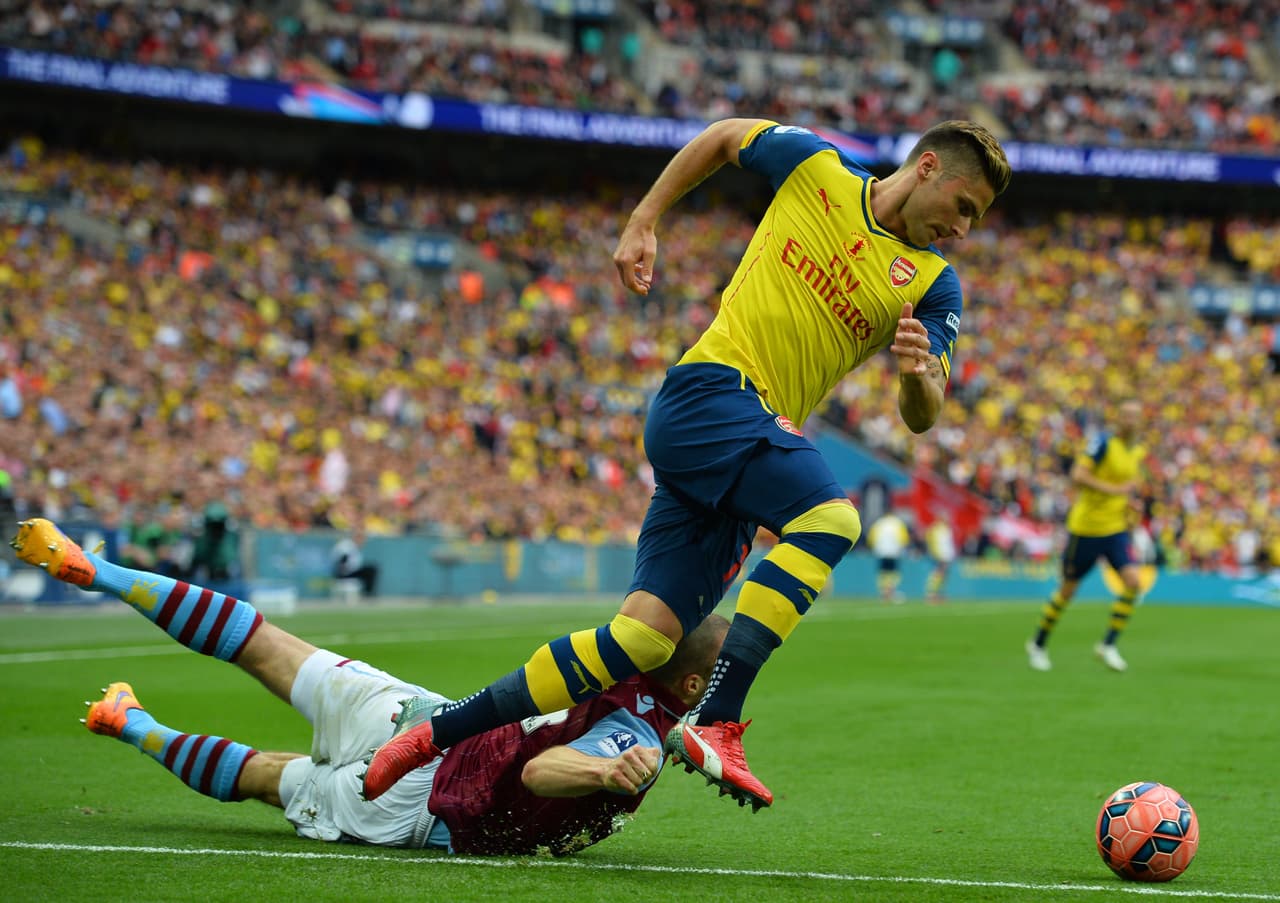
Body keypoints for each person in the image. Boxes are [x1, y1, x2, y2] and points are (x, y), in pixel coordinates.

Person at [362, 117, 1011, 811]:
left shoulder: (937, 285)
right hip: (713, 391)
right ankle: (718, 719)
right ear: (929, 167)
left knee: (640, 638)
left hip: (734, 450)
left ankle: (430, 735)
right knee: (829, 518)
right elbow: (724, 137)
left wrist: (916, 374)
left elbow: (925, 410)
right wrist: (645, 220)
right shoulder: (817, 169)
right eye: (965, 207)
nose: (963, 230)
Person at [9, 517, 728, 855]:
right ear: (691, 681)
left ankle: (95, 569)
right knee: (269, 775)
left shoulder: (624, 645)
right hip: (426, 803)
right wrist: (609, 767)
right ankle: (129, 722)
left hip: (425, 717)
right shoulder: (637, 734)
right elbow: (544, 768)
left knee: (266, 643)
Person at [1025, 400, 1148, 673]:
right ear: (1118, 418)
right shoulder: (1103, 443)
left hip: (1115, 528)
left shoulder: (1137, 451)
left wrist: (1129, 503)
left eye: (1135, 416)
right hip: (1086, 528)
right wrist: (1114, 491)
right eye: (1126, 414)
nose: (1130, 420)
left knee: (1133, 581)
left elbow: (1124, 488)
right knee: (1068, 592)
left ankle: (1108, 645)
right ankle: (1038, 643)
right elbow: (1078, 475)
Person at [866, 509, 912, 603]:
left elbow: (871, 537)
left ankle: (883, 592)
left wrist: (875, 547)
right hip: (894, 551)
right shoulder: (898, 523)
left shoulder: (879, 523)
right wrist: (903, 548)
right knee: (894, 573)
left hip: (881, 551)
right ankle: (890, 591)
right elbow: (904, 538)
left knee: (882, 572)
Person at [330, 527, 378, 598]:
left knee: (371, 568)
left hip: (350, 571)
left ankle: (367, 594)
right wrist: (343, 571)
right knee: (370, 570)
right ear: (356, 537)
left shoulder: (354, 547)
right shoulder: (346, 545)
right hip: (342, 573)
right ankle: (368, 595)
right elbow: (341, 561)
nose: (363, 541)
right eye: (361, 538)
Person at [923, 519, 957, 603]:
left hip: (944, 555)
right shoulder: (938, 529)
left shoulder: (943, 529)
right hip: (941, 555)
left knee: (942, 575)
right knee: (938, 574)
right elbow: (931, 540)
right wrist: (937, 554)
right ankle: (932, 594)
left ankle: (936, 593)